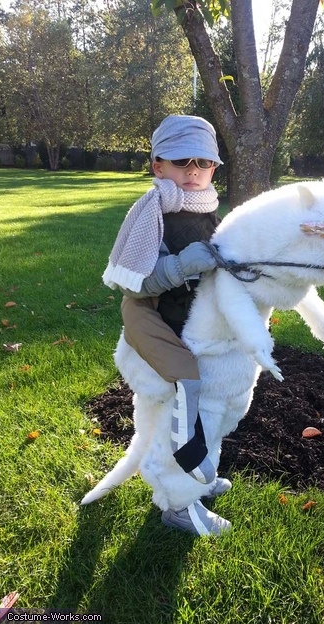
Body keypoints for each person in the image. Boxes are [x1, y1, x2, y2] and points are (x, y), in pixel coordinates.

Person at [103, 115, 231, 535]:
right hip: (155, 317)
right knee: (188, 387)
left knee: (217, 401)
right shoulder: (153, 209)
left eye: (203, 162)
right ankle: (178, 501)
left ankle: (199, 478)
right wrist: (182, 265)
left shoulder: (206, 204)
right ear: (158, 166)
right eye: (181, 161)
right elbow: (138, 284)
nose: (193, 171)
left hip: (192, 317)